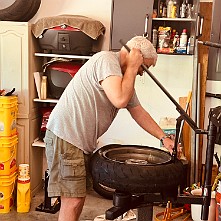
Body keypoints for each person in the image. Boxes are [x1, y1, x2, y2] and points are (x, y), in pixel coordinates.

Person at [44, 36, 175, 221]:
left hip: (76, 143)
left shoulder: (121, 78)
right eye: (143, 67)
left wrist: (164, 137)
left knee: (77, 199)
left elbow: (138, 112)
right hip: (66, 137)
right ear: (134, 55)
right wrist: (132, 66)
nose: (141, 73)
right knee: (72, 201)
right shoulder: (106, 60)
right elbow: (120, 100)